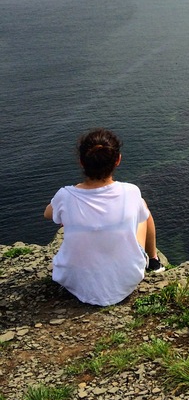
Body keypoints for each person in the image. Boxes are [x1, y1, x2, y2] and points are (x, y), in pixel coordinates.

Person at [44, 128, 164, 306]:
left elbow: (48, 214)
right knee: (143, 210)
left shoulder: (66, 195)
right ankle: (153, 261)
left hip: (75, 281)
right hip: (126, 280)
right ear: (118, 160)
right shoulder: (130, 191)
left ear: (81, 163)